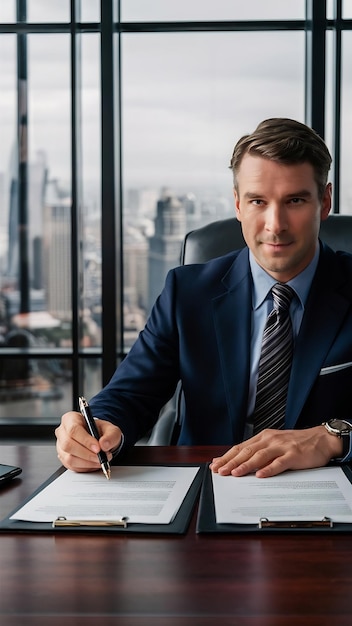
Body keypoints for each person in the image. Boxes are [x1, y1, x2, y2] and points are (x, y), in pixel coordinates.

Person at [55, 117, 352, 478]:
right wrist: (97, 428)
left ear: (324, 202)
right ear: (238, 205)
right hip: (204, 483)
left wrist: (332, 438)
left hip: (325, 491)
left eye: (295, 200)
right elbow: (131, 393)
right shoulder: (188, 291)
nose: (275, 224)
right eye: (258, 201)